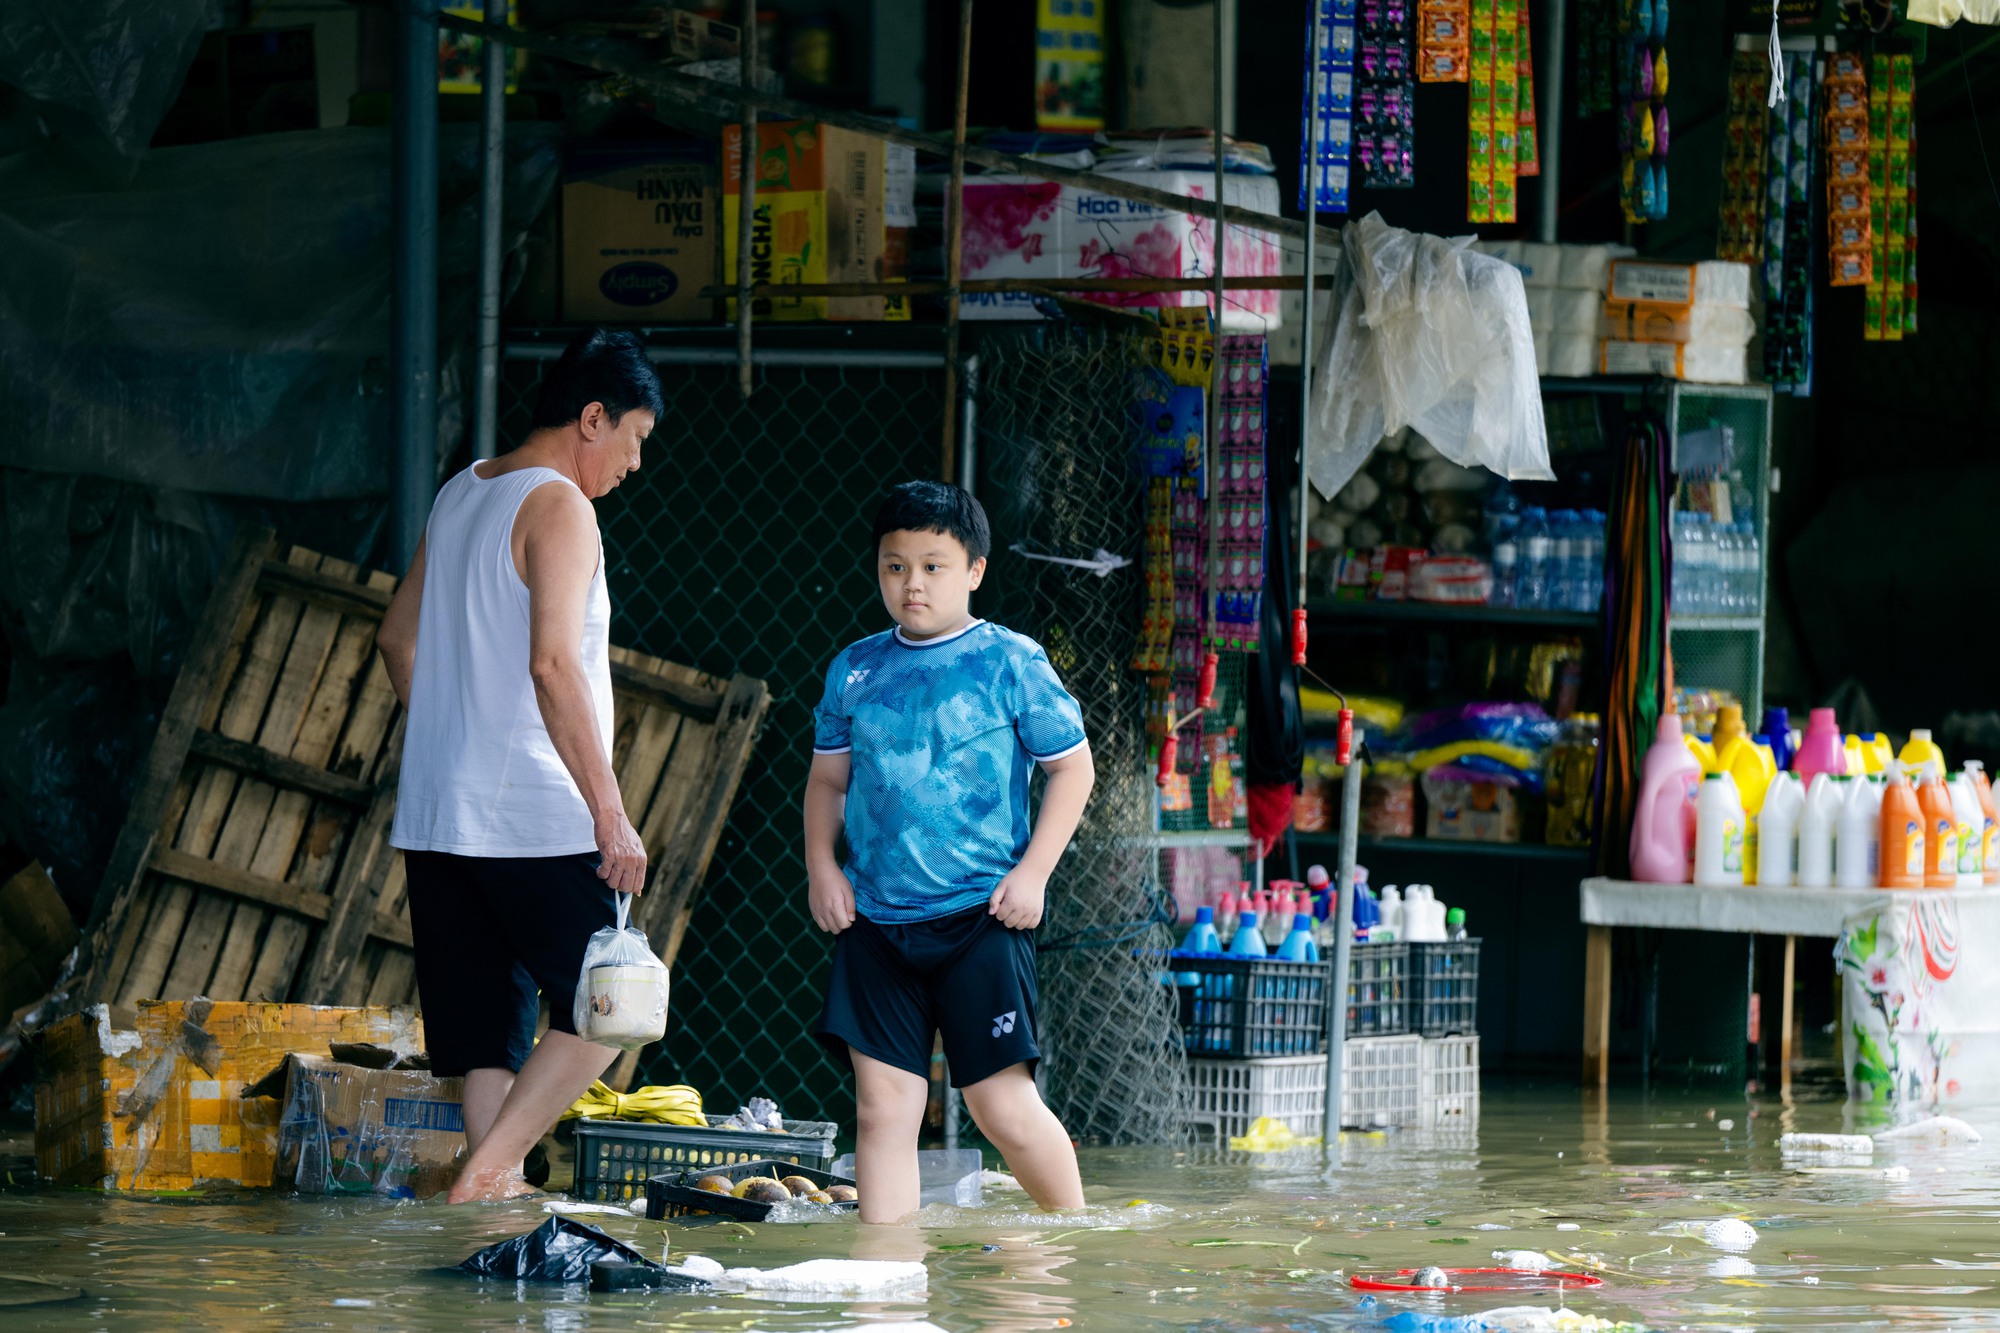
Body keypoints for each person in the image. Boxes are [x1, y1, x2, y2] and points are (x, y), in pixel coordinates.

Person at [375, 326, 663, 1204]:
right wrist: (610, 812)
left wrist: (455, 740)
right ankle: (490, 1173)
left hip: (441, 816)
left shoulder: (461, 492)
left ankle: (490, 1205)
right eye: (634, 438)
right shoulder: (560, 506)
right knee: (615, 1005)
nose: (634, 463)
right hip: (532, 814)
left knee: (486, 1038)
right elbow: (553, 665)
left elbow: (396, 639)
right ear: (593, 418)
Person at [805, 480, 1095, 1223]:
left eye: (933, 566)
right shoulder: (854, 669)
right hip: (875, 922)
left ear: (975, 570)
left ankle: (1073, 1239)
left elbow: (1073, 769)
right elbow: (828, 781)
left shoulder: (1012, 661)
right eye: (895, 565)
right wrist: (822, 867)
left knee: (1002, 1108)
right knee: (881, 1111)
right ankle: (889, 1272)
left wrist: (1033, 874)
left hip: (982, 916)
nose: (913, 583)